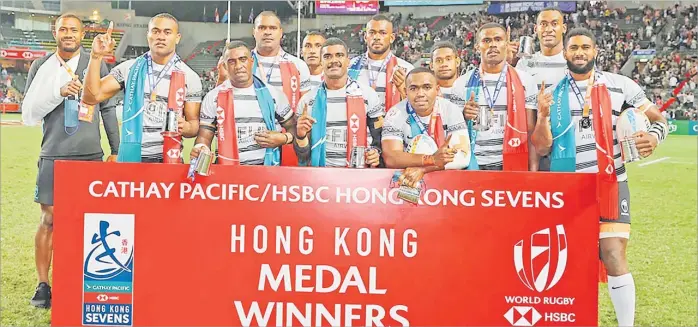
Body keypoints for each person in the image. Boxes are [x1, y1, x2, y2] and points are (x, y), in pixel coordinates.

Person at [531, 28, 669, 327]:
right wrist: (542, 116)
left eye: (585, 47)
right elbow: (541, 147)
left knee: (613, 253)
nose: (579, 52)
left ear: (595, 51)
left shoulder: (622, 85)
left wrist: (654, 138)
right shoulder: (550, 93)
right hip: (567, 188)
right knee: (567, 260)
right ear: (565, 53)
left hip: (610, 183)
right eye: (573, 48)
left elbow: (659, 119)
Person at [21, 13, 120, 309]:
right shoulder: (41, 66)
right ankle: (43, 284)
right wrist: (58, 92)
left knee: (88, 222)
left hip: (90, 155)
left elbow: (107, 110)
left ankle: (80, 279)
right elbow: (29, 113)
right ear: (55, 32)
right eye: (62, 28)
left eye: (73, 29)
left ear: (82, 34)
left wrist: (115, 150)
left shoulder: (96, 62)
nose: (67, 33)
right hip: (53, 153)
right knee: (49, 220)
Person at [82, 13, 203, 163]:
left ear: (177, 37)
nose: (161, 36)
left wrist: (185, 127)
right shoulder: (129, 68)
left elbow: (193, 126)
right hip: (131, 159)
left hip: (168, 160)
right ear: (148, 35)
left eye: (167, 32)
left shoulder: (190, 77)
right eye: (156, 31)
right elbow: (91, 97)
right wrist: (95, 57)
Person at [190, 40, 296, 165]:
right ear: (224, 66)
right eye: (232, 61)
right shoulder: (213, 97)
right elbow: (204, 136)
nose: (238, 65)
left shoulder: (274, 94)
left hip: (267, 172)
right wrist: (200, 148)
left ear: (252, 62)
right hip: (228, 174)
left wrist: (284, 138)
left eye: (243, 59)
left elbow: (294, 127)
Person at [452, 23, 539, 171]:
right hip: (473, 164)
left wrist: (533, 171)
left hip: (513, 163)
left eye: (498, 39)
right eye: (486, 40)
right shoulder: (461, 84)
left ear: (506, 43)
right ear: (477, 47)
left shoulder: (525, 81)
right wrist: (463, 116)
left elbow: (530, 130)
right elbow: (452, 132)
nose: (493, 45)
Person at [294, 38, 383, 168]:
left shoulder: (368, 95)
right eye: (327, 56)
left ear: (348, 61)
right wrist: (301, 136)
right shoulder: (307, 101)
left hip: (359, 178)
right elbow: (303, 156)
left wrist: (376, 152)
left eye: (339, 55)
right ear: (321, 62)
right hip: (320, 177)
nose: (334, 60)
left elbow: (379, 138)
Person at [381, 67, 468, 186]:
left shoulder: (451, 110)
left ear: (437, 89)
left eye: (427, 87)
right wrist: (431, 159)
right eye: (413, 88)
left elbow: (463, 157)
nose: (420, 94)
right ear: (406, 91)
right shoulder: (395, 114)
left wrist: (424, 169)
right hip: (409, 182)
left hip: (449, 183)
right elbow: (391, 158)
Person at [515, 7, 569, 171]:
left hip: (568, 142)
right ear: (535, 29)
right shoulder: (525, 64)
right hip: (535, 145)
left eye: (554, 23)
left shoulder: (573, 62)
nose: (548, 29)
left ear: (563, 28)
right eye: (543, 24)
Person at [349, 14, 414, 110]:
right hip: (358, 123)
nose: (376, 37)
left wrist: (404, 90)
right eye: (372, 32)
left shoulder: (406, 69)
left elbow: (416, 107)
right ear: (365, 37)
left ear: (392, 38)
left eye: (382, 33)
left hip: (393, 123)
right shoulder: (351, 66)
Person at [430, 41, 464, 107]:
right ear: (431, 66)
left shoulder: (470, 89)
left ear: (457, 62)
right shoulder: (425, 93)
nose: (444, 64)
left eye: (448, 59)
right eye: (438, 60)